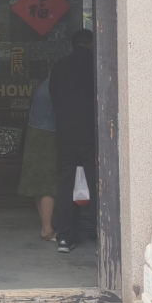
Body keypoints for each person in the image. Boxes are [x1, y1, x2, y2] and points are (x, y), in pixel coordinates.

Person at [49, 28, 96, 253]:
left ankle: (65, 238)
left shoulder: (60, 66)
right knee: (97, 185)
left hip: (66, 134)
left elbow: (54, 97)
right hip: (92, 135)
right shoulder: (97, 64)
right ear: (91, 44)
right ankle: (101, 234)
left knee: (66, 185)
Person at [17, 61, 58, 241]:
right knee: (48, 184)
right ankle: (47, 228)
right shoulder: (55, 87)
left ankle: (46, 226)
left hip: (34, 134)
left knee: (37, 185)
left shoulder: (43, 86)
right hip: (48, 135)